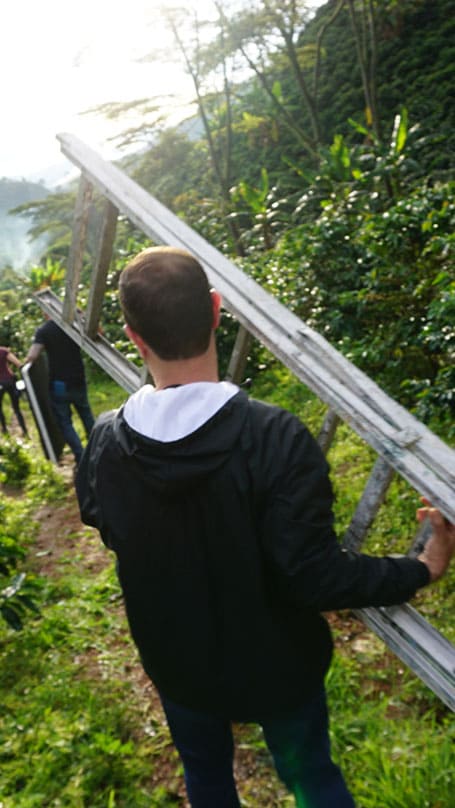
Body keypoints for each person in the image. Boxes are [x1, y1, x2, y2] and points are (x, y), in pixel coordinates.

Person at [75, 246, 455, 808]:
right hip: (279, 670)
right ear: (215, 309)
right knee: (312, 781)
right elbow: (315, 577)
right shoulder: (274, 437)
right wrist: (419, 567)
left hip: (178, 667)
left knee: (206, 780)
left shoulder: (106, 442)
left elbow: (106, 522)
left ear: (134, 337)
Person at [25, 317, 95, 465]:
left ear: (45, 311)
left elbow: (32, 355)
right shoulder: (73, 324)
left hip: (60, 384)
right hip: (78, 380)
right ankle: (97, 449)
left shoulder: (44, 330)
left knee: (64, 422)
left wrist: (25, 364)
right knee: (86, 415)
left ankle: (80, 455)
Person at [0, 345, 28, 437]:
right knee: (16, 408)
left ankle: (4, 430)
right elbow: (18, 364)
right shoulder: (3, 351)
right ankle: (24, 431)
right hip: (9, 381)